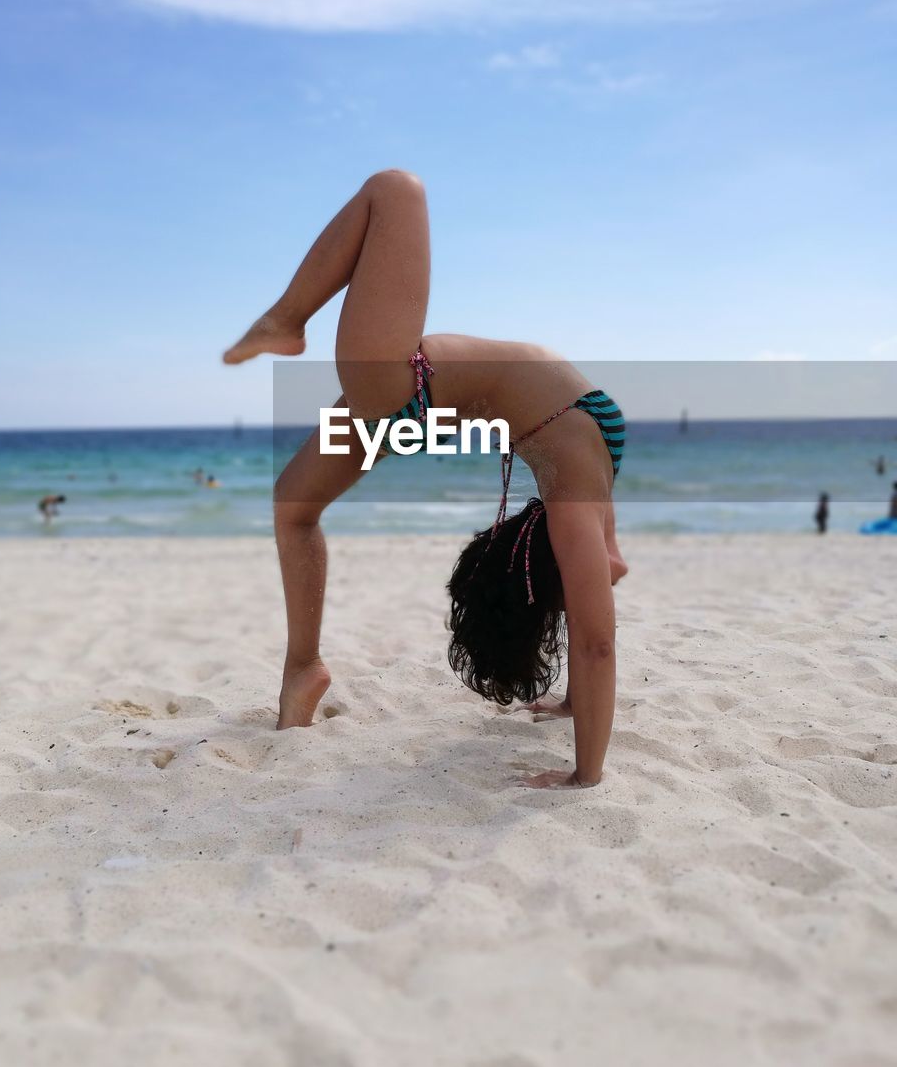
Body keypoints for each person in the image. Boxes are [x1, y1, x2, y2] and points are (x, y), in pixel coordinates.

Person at [223, 169, 627, 790]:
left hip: (399, 389)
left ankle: (286, 319)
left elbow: (598, 639)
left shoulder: (581, 493)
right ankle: (303, 671)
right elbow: (602, 590)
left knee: (396, 190)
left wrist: (586, 775)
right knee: (293, 505)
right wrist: (574, 703)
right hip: (408, 409)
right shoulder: (583, 508)